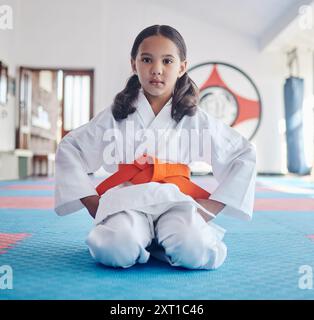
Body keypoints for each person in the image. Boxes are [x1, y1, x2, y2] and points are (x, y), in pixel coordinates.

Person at [54, 25, 256, 270]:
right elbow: (70, 148)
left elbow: (243, 154)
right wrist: (91, 202)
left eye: (168, 61)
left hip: (177, 201)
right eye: (147, 59)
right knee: (115, 248)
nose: (157, 69)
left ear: (182, 67)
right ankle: (151, 242)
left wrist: (211, 207)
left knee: (195, 250)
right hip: (127, 199)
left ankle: (159, 241)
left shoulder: (194, 118)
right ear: (134, 64)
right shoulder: (116, 116)